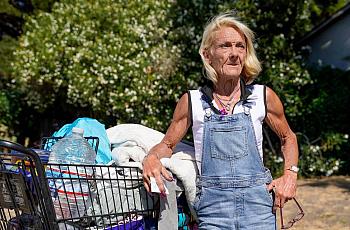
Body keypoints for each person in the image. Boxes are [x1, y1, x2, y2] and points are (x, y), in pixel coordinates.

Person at [142, 12, 298, 229]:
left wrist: (290, 175)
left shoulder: (262, 96)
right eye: (225, 46)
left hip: (259, 208)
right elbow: (167, 145)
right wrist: (150, 158)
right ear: (208, 55)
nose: (234, 53)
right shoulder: (192, 101)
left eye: (240, 46)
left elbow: (287, 137)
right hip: (213, 210)